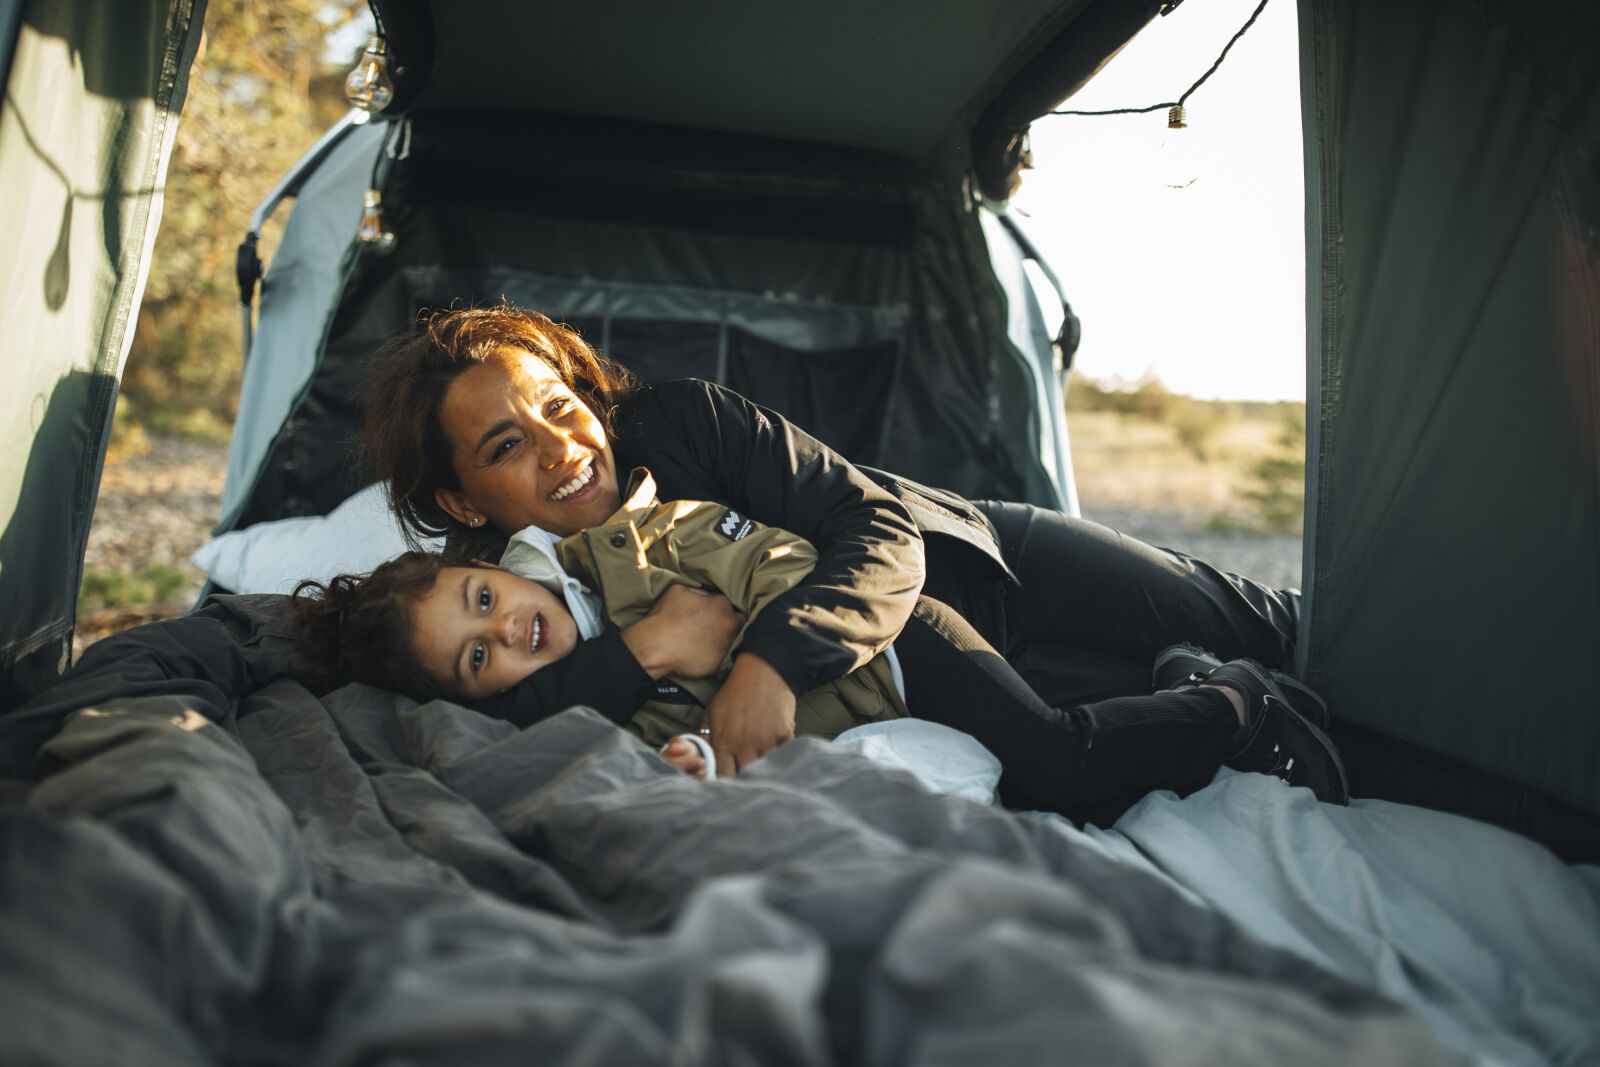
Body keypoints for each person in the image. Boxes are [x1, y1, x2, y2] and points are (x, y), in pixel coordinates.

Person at [360, 302, 1345, 823]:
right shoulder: (497, 593)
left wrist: (768, 665)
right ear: (458, 500)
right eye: (503, 447)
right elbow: (495, 714)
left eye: (559, 407)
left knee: (1266, 623)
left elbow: (871, 528)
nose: (561, 449)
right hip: (926, 677)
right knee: (1104, 745)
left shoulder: (684, 421)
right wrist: (653, 645)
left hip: (971, 558)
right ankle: (1224, 698)